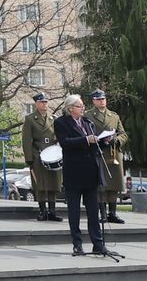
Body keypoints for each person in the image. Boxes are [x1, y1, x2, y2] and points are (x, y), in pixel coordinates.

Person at [55, 94, 107, 257]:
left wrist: (105, 141)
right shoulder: (61, 122)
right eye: (80, 106)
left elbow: (95, 145)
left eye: (83, 106)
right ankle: (77, 244)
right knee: (74, 211)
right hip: (74, 172)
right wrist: (86, 139)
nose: (83, 108)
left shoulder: (88, 123)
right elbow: (65, 143)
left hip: (90, 172)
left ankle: (97, 244)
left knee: (93, 211)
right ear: (70, 108)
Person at [87, 88, 127, 224]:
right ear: (93, 101)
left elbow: (123, 134)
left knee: (114, 184)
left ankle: (112, 213)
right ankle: (102, 213)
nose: (101, 101)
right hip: (99, 152)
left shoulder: (114, 116)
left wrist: (117, 140)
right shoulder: (88, 115)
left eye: (103, 99)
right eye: (98, 99)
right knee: (102, 186)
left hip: (113, 152)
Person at [22, 92, 63, 221]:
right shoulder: (30, 119)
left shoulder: (53, 118)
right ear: (36, 103)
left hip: (52, 154)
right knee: (40, 185)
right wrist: (29, 158)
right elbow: (26, 140)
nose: (44, 104)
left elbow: (57, 135)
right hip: (38, 154)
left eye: (46, 102)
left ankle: (52, 211)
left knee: (53, 184)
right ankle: (42, 210)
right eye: (42, 102)